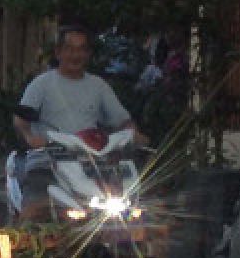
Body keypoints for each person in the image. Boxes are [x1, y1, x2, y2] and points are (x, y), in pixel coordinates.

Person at [11, 26, 144, 219]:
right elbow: (20, 120)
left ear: (88, 54)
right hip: (48, 161)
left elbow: (123, 121)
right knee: (34, 209)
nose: (76, 55)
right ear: (58, 52)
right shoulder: (41, 84)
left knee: (134, 207)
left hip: (92, 162)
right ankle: (19, 245)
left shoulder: (98, 86)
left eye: (81, 49)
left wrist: (134, 135)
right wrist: (30, 137)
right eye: (69, 49)